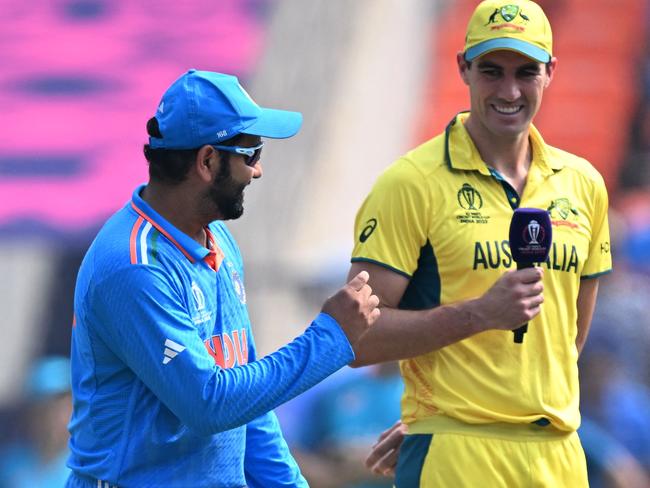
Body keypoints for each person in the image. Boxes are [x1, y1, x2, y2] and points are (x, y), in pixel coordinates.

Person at [66, 69, 380, 488]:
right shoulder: (135, 267)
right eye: (251, 153)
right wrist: (330, 337)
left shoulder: (218, 240)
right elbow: (210, 403)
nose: (258, 170)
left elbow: (247, 395)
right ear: (208, 161)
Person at [348, 1, 612, 486]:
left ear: (551, 72)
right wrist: (477, 319)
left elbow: (567, 337)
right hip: (455, 457)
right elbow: (355, 336)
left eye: (526, 72)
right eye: (491, 71)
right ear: (463, 68)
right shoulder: (410, 183)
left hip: (558, 456)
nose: (509, 91)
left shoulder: (584, 184)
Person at [0, 356, 72, 487]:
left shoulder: (89, 469)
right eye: (45, 408)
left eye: (60, 408)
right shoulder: (10, 464)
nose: (53, 418)